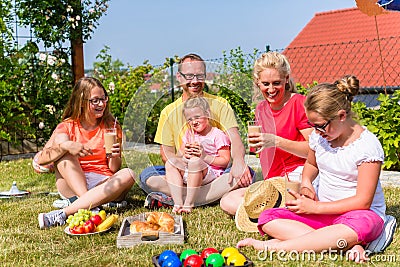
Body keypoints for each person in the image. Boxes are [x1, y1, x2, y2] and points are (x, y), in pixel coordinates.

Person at [236, 75, 388, 263]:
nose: (316, 132)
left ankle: (276, 246)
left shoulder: (366, 146)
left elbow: (363, 201)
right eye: (312, 126)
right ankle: (340, 243)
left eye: (321, 126)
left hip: (358, 214)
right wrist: (307, 183)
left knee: (362, 225)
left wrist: (315, 208)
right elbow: (311, 164)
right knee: (267, 217)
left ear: (341, 116)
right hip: (324, 214)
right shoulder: (320, 138)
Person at [140, 53, 254, 208]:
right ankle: (207, 196)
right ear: (179, 77)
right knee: (147, 175)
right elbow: (166, 155)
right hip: (185, 170)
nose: (194, 81)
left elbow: (235, 139)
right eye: (189, 76)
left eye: (199, 75)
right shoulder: (168, 111)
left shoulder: (219, 103)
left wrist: (239, 162)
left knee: (246, 173)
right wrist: (182, 156)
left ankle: (176, 197)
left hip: (212, 172)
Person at [220, 51, 314, 216]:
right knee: (227, 201)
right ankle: (276, 214)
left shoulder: (299, 103)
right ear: (257, 83)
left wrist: (276, 141)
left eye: (276, 83)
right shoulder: (261, 108)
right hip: (273, 181)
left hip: (298, 176)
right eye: (265, 84)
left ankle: (272, 215)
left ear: (286, 79)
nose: (271, 89)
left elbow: (315, 150)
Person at [37, 77, 135, 229]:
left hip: (103, 183)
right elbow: (41, 159)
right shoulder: (68, 126)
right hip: (74, 183)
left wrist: (114, 155)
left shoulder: (111, 126)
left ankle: (65, 213)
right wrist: (66, 146)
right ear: (82, 101)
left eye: (103, 99)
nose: (101, 104)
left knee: (129, 173)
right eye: (95, 100)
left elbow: (114, 169)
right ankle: (90, 204)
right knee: (65, 154)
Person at [166, 96, 231, 213]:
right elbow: (179, 155)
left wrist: (205, 157)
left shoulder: (217, 134)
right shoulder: (189, 133)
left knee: (195, 161)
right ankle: (178, 202)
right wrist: (183, 153)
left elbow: (225, 161)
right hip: (189, 170)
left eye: (197, 117)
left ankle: (189, 204)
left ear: (207, 113)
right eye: (189, 119)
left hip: (210, 173)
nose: (194, 122)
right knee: (171, 162)